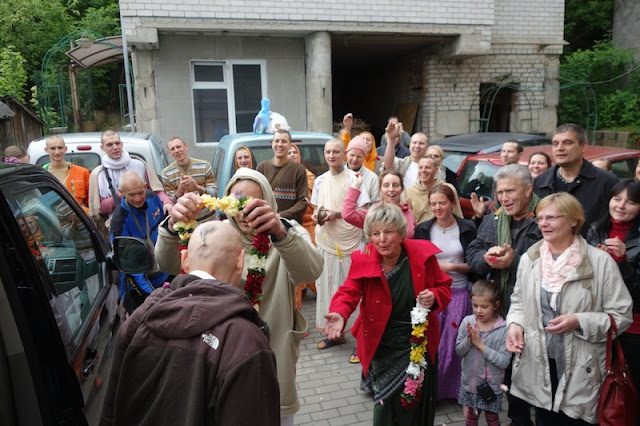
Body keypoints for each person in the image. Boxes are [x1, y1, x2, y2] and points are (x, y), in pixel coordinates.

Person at [155, 168, 323, 425]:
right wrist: (172, 225)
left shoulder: (286, 232)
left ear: (269, 202)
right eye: (237, 203)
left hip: (273, 356)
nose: (245, 213)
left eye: (254, 204)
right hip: (220, 358)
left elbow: (311, 270)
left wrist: (279, 231)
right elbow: (167, 264)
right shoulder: (216, 235)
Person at [100, 221, 280, 426]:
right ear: (240, 261)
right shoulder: (246, 342)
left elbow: (112, 410)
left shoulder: (140, 318)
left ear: (184, 259)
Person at [506, 192, 633, 425]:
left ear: (574, 220)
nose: (543, 223)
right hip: (539, 365)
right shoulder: (530, 258)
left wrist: (579, 320)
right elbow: (518, 302)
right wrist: (515, 324)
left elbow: (621, 316)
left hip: (582, 370)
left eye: (552, 217)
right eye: (540, 218)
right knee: (545, 420)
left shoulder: (599, 261)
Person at [324, 203, 452, 425]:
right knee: (384, 404)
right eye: (375, 233)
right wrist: (340, 313)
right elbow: (349, 291)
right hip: (382, 345)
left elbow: (444, 287)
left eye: (388, 232)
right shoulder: (363, 259)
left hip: (417, 343)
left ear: (401, 233)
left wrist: (434, 295)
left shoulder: (422, 257)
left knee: (416, 400)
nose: (382, 239)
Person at [466, 164, 541, 426]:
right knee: (508, 369)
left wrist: (515, 261)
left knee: (535, 370)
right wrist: (486, 259)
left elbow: (556, 265)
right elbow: (473, 254)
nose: (504, 198)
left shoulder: (545, 217)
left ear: (529, 189)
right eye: (500, 192)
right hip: (502, 310)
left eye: (510, 191)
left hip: (536, 311)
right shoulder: (494, 218)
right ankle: (518, 419)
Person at [415, 185, 477, 400]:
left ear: (452, 203)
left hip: (458, 293)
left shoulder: (467, 228)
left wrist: (452, 268)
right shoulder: (423, 229)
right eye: (433, 204)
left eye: (442, 203)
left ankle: (453, 390)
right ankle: (433, 391)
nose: (438, 207)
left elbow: (476, 264)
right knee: (433, 344)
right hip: (431, 294)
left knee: (452, 345)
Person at [311, 139, 369, 351]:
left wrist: (339, 214)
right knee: (326, 288)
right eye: (328, 152)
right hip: (327, 242)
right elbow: (315, 209)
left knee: (349, 290)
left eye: (336, 151)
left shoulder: (355, 179)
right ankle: (333, 335)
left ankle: (356, 337)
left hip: (350, 244)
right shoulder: (320, 181)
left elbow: (365, 212)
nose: (332, 155)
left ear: (344, 154)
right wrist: (318, 216)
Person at [586, 179, 640, 392]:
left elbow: (637, 291)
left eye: (631, 202)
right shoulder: (595, 229)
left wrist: (622, 261)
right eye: (616, 199)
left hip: (633, 325)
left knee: (631, 387)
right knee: (603, 387)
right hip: (600, 320)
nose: (621, 206)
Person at [533, 123, 619, 236]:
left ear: (583, 146)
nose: (560, 148)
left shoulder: (607, 181)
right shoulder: (541, 181)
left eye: (567, 143)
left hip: (591, 250)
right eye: (555, 144)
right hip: (548, 251)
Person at [110, 171, 169, 314]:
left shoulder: (152, 198)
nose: (137, 199)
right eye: (131, 195)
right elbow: (130, 268)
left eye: (140, 192)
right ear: (121, 193)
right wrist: (151, 294)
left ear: (145, 186)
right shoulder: (119, 222)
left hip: (164, 273)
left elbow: (164, 231)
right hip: (141, 285)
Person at [456, 280, 510, 426]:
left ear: (496, 305)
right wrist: (469, 339)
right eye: (475, 305)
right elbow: (459, 351)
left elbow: (504, 361)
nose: (478, 310)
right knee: (471, 419)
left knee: (492, 419)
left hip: (491, 387)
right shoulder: (467, 322)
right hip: (470, 384)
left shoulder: (504, 329)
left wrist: (480, 345)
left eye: (484, 306)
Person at [89, 130, 172, 220]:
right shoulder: (98, 175)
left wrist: (167, 202)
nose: (115, 147)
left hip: (146, 219)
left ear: (122, 144)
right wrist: (120, 196)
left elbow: (156, 191)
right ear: (102, 148)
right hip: (119, 224)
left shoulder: (140, 165)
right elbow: (100, 208)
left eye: (117, 143)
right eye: (109, 145)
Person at [343, 169, 417, 239]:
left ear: (402, 188)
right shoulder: (373, 213)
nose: (391, 189)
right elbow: (348, 215)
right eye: (386, 185)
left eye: (395, 185)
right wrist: (356, 186)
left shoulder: (408, 213)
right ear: (380, 189)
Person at [256, 129, 308, 225]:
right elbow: (256, 197)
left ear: (290, 145)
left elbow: (303, 202)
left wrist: (280, 216)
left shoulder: (298, 170)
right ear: (272, 143)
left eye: (284, 141)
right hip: (265, 226)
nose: (279, 144)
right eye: (277, 141)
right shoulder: (262, 167)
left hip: (290, 228)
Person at [288, 143, 318, 309]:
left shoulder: (309, 176)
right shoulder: (284, 173)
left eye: (295, 152)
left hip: (309, 224)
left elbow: (313, 201)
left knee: (312, 261)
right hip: (291, 225)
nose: (292, 155)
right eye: (289, 152)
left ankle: (319, 291)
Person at [405, 157, 462, 224]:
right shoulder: (409, 192)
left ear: (436, 170)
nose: (423, 170)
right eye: (420, 167)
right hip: (420, 232)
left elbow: (457, 214)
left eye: (427, 167)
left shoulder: (448, 188)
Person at [161, 136, 218, 202]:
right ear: (169, 153)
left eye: (179, 147)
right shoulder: (166, 173)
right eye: (172, 149)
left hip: (206, 212)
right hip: (183, 212)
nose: (176, 150)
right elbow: (170, 202)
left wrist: (197, 187)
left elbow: (215, 194)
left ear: (186, 147)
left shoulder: (205, 166)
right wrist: (180, 189)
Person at [42, 135, 91, 209]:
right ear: (46, 150)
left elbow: (90, 202)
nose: (57, 151)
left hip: (78, 218)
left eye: (60, 148)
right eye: (53, 148)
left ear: (65, 149)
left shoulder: (83, 172)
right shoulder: (41, 175)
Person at [345, 135, 380, 203]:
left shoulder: (372, 178)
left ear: (364, 157)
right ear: (346, 154)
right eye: (352, 155)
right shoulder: (338, 174)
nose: (355, 159)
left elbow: (376, 203)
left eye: (359, 156)